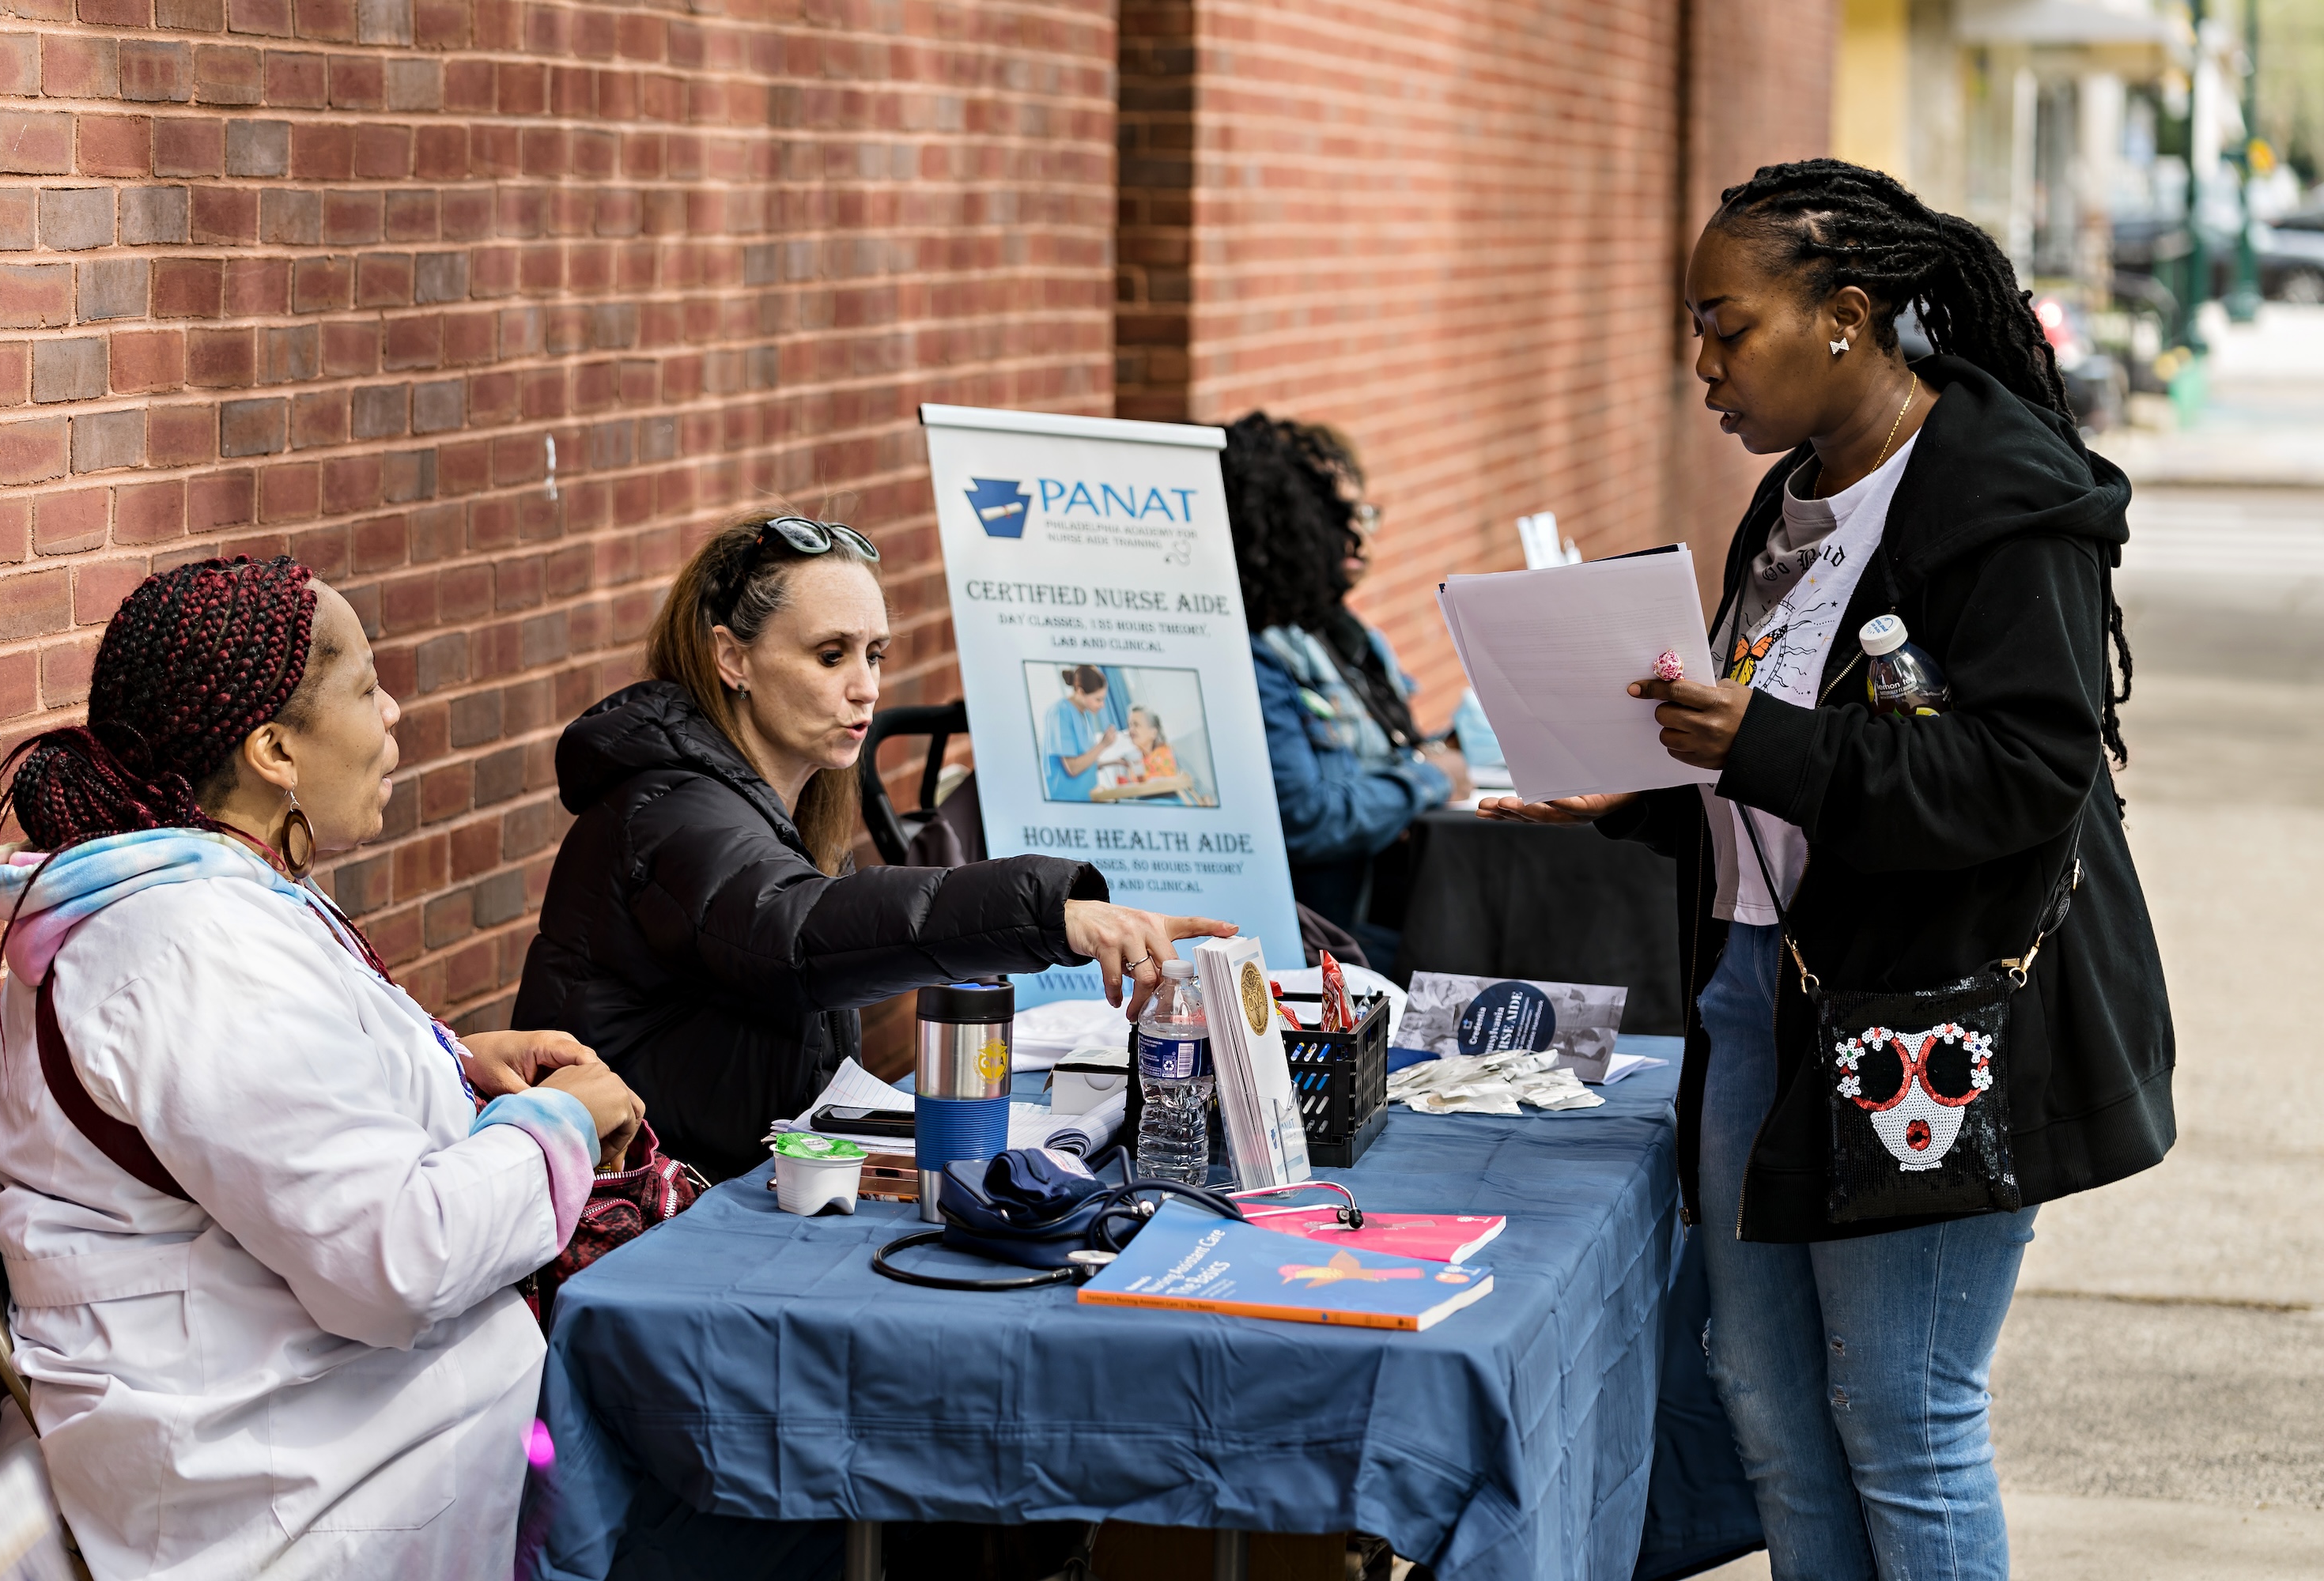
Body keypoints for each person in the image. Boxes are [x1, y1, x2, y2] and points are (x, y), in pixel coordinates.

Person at [1481, 160, 2173, 1578]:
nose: (1702, 363)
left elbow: (2025, 779)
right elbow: (1785, 779)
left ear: (1847, 315)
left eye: (1727, 327)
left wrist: (1764, 748)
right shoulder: (1792, 505)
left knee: (1902, 1415)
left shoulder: (1999, 496)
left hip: (1926, 1021)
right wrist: (1648, 796)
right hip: (1759, 1000)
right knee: (1770, 1407)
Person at [0, 557, 647, 1579]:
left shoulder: (206, 897)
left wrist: (450, 1063)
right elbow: (393, 1259)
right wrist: (557, 1126)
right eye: (368, 687)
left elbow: (275, 1125)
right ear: (273, 749)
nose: (394, 716)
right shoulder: (188, 947)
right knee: (726, 1471)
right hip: (285, 1488)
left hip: (325, 1418)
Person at [513, 514, 1236, 1182]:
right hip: (644, 1220)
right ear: (731, 658)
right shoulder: (669, 809)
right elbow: (799, 931)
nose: (866, 688)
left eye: (875, 654)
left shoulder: (771, 802)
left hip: (747, 1185)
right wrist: (1058, 914)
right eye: (831, 656)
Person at [1222, 413, 1468, 963]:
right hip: (1322, 945)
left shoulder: (1353, 636)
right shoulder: (1259, 649)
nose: (1353, 535)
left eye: (1361, 514)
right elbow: (1306, 816)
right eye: (1334, 516)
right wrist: (1425, 781)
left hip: (1383, 905)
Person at [1042, 664, 1118, 801]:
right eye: (1098, 699)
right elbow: (1073, 768)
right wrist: (1103, 744)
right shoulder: (1060, 713)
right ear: (1081, 692)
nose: (1102, 705)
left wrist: (1115, 762)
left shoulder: (1085, 714)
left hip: (1088, 797)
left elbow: (1085, 761)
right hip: (1068, 801)